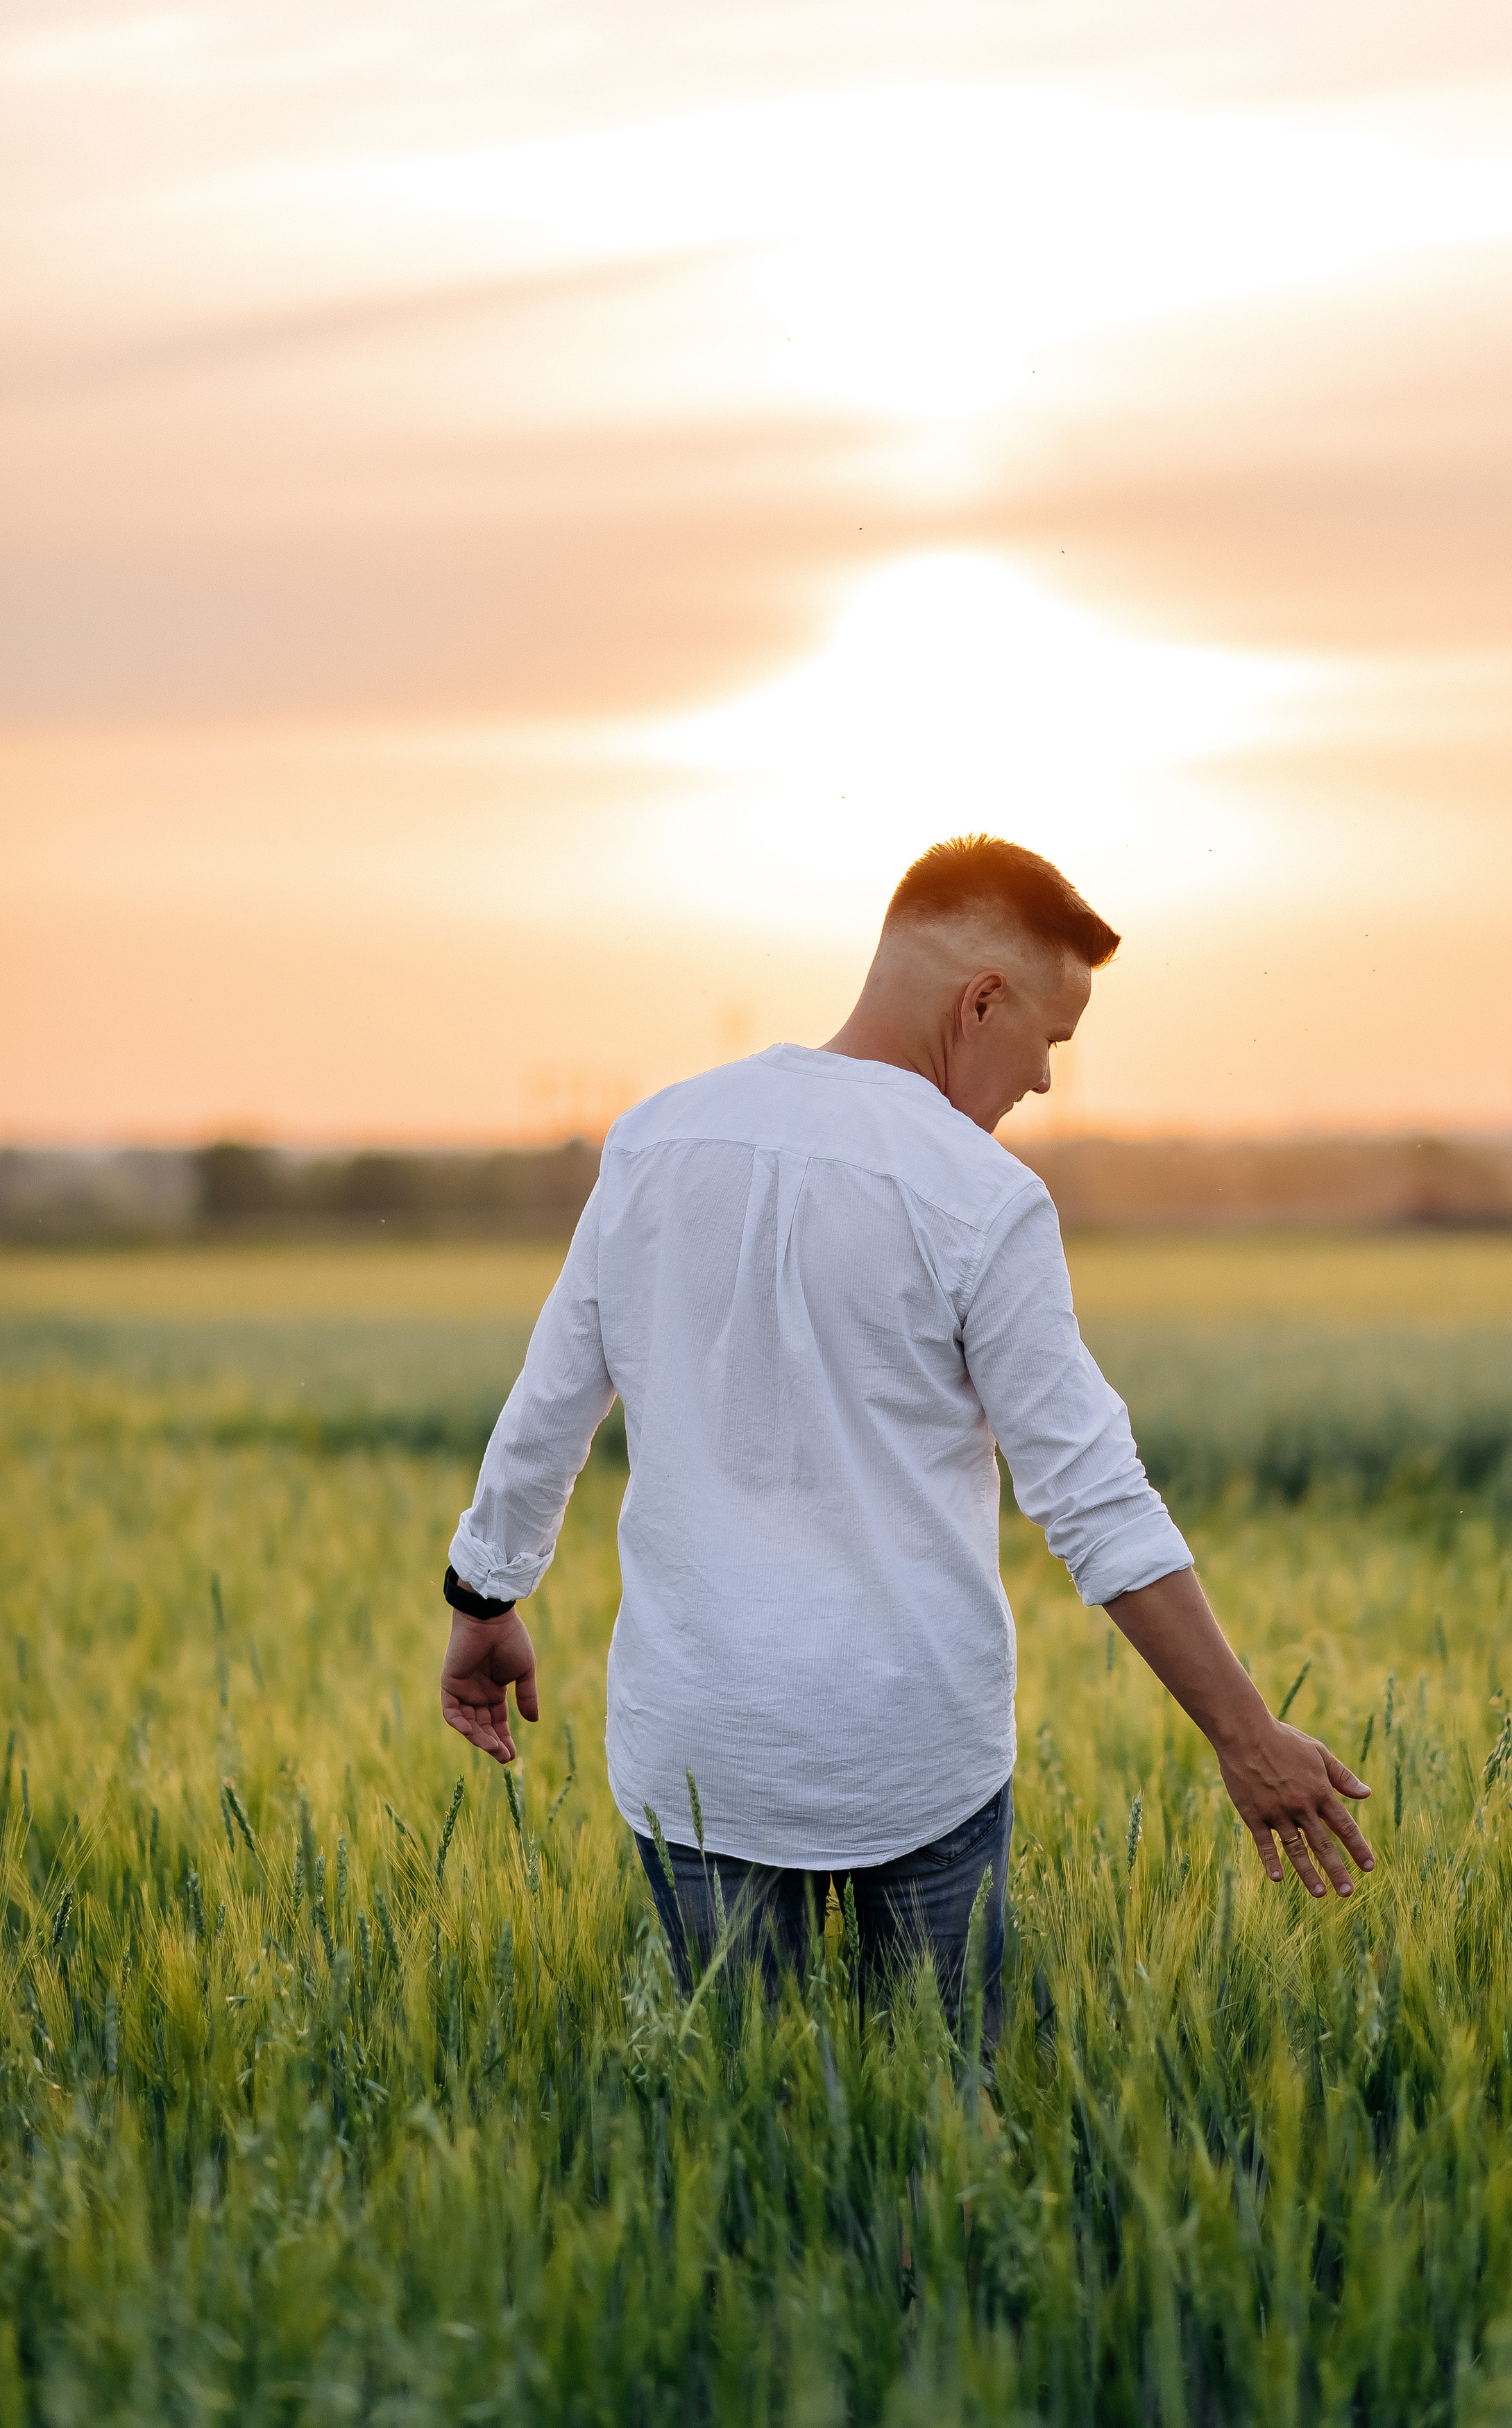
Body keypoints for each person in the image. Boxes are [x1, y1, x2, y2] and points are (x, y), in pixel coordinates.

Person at [439, 835, 1373, 2028]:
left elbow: (550, 1403)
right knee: (941, 2133)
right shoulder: (981, 1197)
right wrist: (1246, 1739)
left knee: (750, 2134)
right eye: (1050, 1041)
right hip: (914, 1762)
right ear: (981, 1001)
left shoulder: (654, 1140)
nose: (1042, 1083)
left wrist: (484, 1598)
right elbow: (1093, 1498)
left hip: (697, 1758)